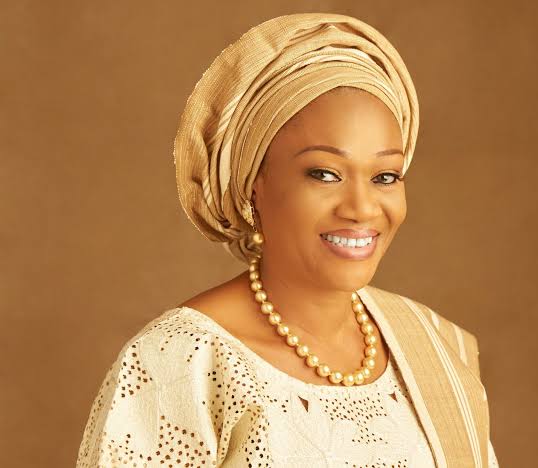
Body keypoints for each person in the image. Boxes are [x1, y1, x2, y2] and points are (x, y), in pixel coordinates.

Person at [76, 12, 498, 467]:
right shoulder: (182, 363)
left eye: (385, 176)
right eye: (324, 174)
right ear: (253, 183)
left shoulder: (433, 345)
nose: (361, 207)